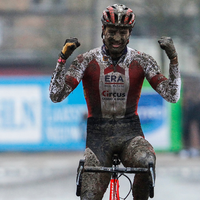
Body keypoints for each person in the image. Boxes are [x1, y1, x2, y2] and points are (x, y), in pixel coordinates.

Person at [49, 4, 181, 200]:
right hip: (98, 138)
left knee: (146, 163)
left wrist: (173, 59)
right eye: (112, 32)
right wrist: (62, 60)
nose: (117, 38)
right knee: (89, 195)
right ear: (103, 30)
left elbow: (172, 95)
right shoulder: (85, 60)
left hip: (130, 134)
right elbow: (55, 95)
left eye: (123, 32)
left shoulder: (143, 60)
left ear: (130, 34)